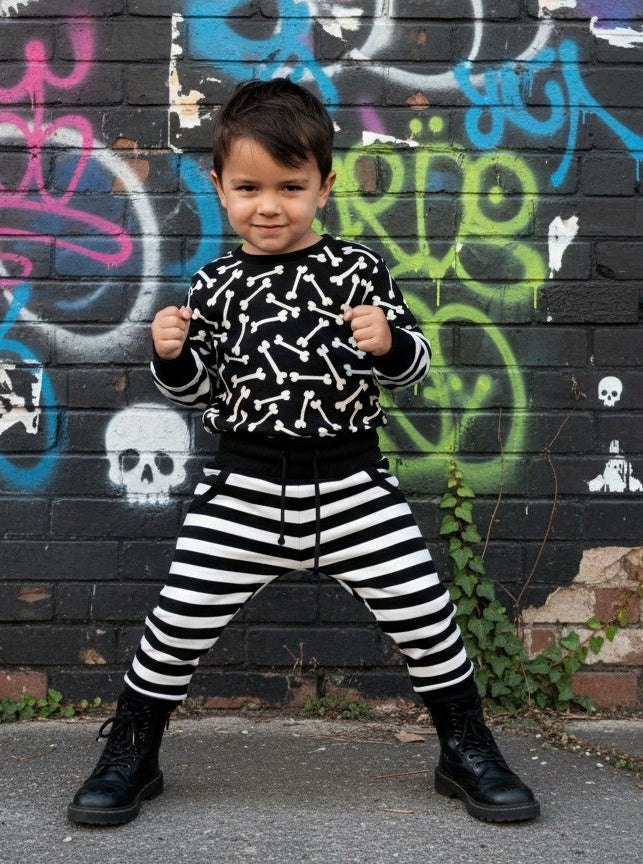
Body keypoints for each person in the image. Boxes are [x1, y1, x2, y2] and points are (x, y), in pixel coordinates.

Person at [67, 78, 539, 826]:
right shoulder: (216, 284)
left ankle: (466, 747)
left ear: (325, 185)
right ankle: (132, 752)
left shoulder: (358, 269)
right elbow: (198, 393)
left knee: (427, 617)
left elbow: (412, 369)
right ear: (220, 187)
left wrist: (390, 344)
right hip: (243, 486)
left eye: (291, 186)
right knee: (177, 623)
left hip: (353, 482)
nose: (269, 205)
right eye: (249, 187)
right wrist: (172, 359)